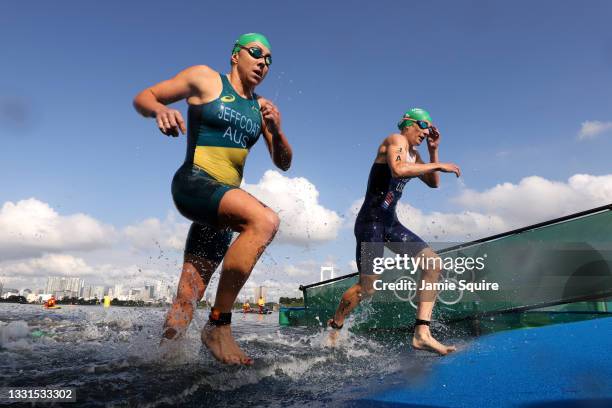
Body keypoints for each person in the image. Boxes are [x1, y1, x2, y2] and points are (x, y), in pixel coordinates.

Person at [133, 33, 292, 365]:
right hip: (193, 183)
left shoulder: (260, 108)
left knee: (186, 299)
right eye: (256, 53)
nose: (263, 62)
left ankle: (160, 363)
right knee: (264, 220)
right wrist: (160, 109)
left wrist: (276, 131)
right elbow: (144, 97)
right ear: (236, 55)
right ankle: (219, 325)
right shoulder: (205, 78)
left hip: (219, 209)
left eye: (269, 60)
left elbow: (284, 162)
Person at [327, 108, 460, 355]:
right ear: (408, 123)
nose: (425, 131)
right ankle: (336, 324)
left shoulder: (416, 154)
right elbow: (398, 169)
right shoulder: (395, 140)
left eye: (430, 128)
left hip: (390, 223)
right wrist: (438, 164)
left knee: (432, 264)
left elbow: (433, 183)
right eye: (422, 125)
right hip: (371, 224)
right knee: (367, 289)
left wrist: (433, 151)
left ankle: (422, 333)